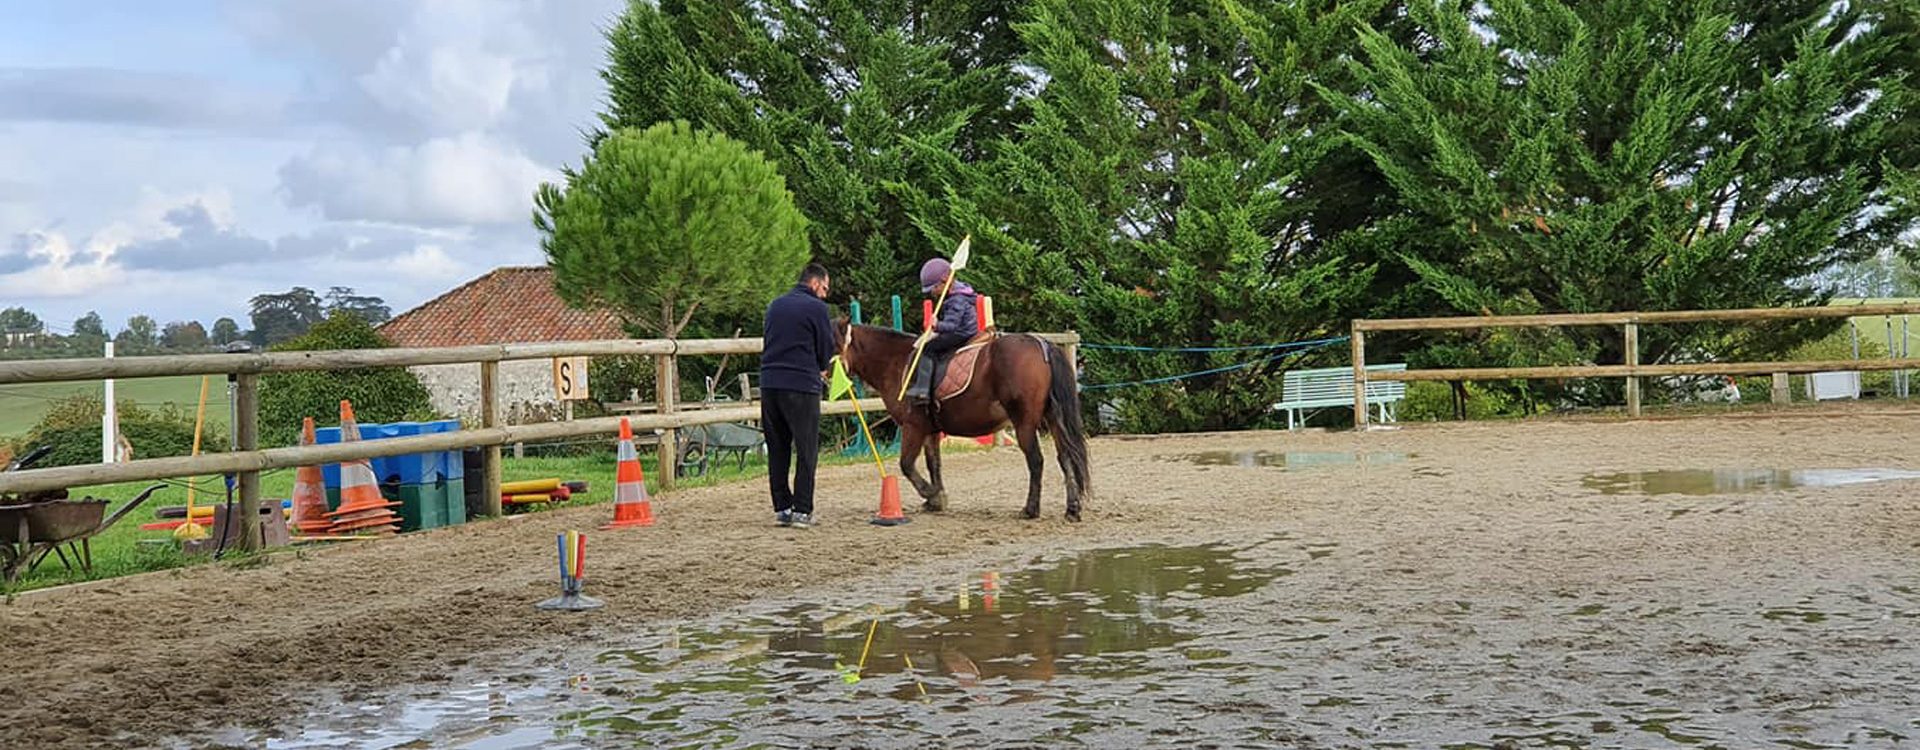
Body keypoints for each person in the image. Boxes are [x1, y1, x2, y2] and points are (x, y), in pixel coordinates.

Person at [760, 263, 834, 528]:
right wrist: (822, 366)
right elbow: (825, 347)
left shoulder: (775, 305)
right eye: (825, 288)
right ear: (815, 283)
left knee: (778, 448)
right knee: (806, 449)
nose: (825, 294)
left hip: (770, 383)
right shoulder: (817, 309)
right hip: (801, 384)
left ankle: (782, 508)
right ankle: (802, 509)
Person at [905, 256, 979, 408]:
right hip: (965, 329)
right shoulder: (960, 293)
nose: (932, 292)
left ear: (944, 281)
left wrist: (937, 325)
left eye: (934, 288)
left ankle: (922, 390)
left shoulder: (956, 299)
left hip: (962, 333)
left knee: (927, 348)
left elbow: (952, 325)